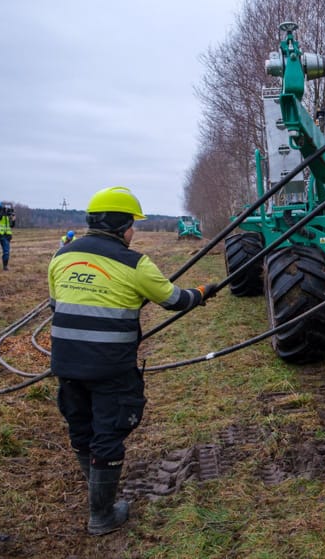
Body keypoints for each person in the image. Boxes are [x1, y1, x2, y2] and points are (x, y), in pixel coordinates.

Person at [48, 186, 218, 535]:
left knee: (82, 429)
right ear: (120, 225)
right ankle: (102, 514)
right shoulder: (135, 262)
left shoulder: (62, 256)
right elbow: (175, 300)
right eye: (132, 224)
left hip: (65, 363)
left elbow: (58, 304)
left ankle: (97, 492)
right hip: (109, 366)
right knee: (108, 433)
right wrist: (203, 292)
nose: (134, 231)